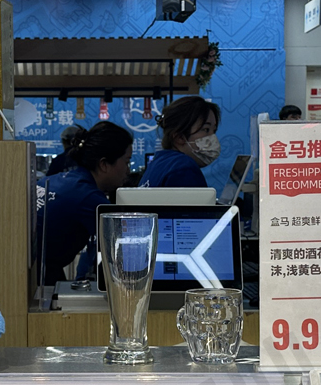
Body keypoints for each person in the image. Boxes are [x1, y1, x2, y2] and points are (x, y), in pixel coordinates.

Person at [37, 121, 135, 284]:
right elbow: (128, 246)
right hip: (37, 277)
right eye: (126, 162)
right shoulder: (88, 197)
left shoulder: (57, 180)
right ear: (104, 164)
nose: (128, 170)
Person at [139, 96, 221, 188]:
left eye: (214, 131)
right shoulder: (183, 168)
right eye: (206, 129)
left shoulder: (158, 164)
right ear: (179, 137)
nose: (213, 137)